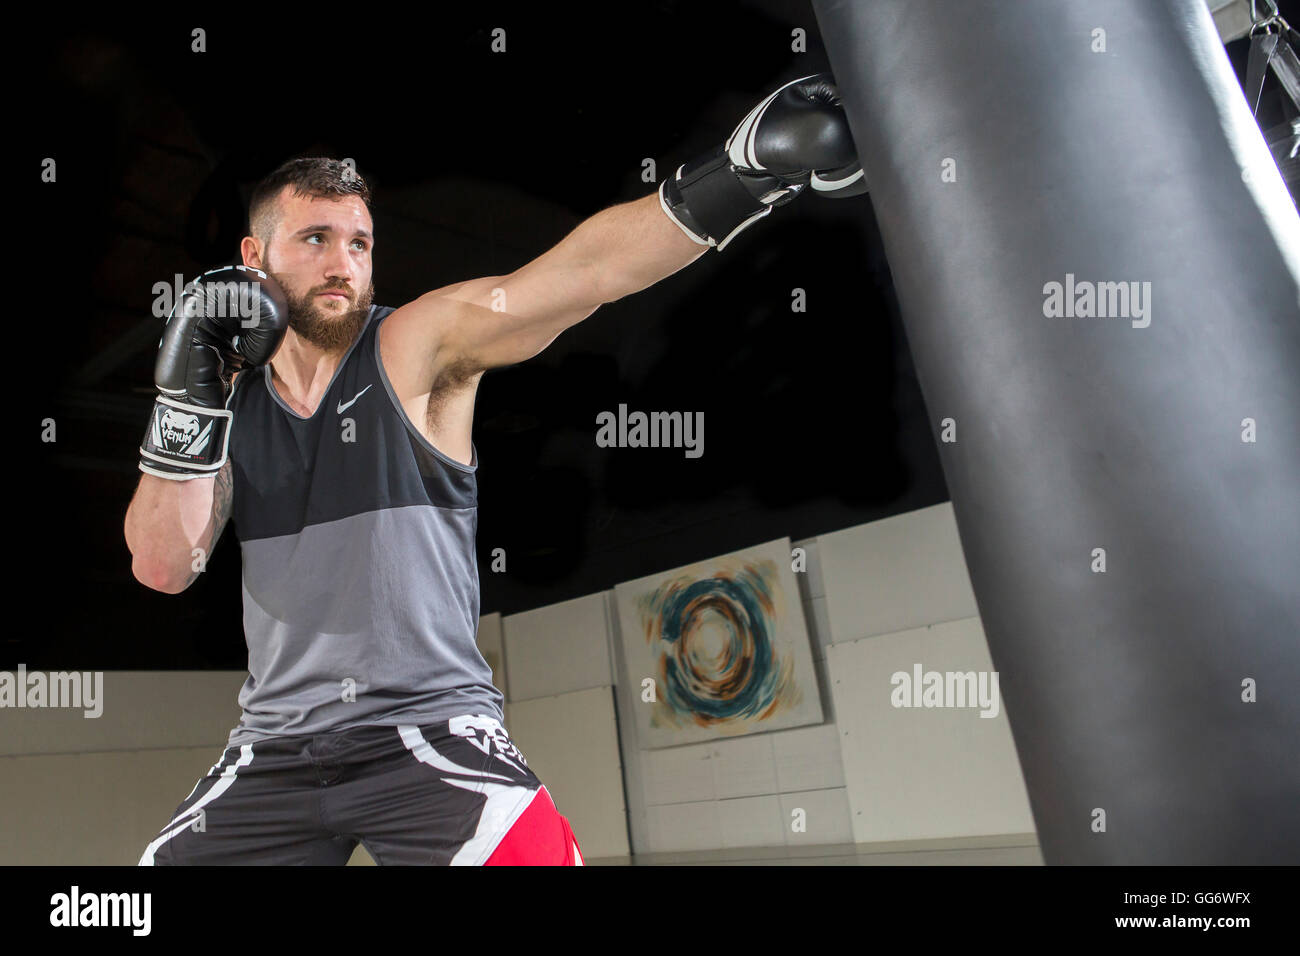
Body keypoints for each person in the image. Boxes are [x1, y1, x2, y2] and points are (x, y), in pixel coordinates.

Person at [124, 73, 865, 865]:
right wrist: (186, 402)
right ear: (252, 257)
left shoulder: (413, 345)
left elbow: (578, 278)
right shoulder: (222, 407)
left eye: (360, 243)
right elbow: (165, 566)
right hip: (271, 750)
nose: (344, 263)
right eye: (315, 240)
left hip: (429, 731)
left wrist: (742, 172)